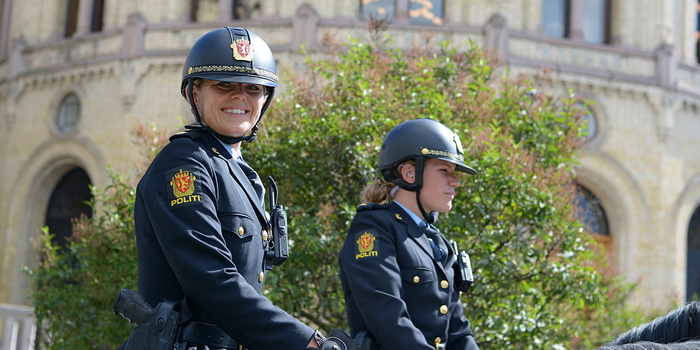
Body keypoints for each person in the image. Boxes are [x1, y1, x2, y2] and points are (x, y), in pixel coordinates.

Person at [131, 27, 344, 350]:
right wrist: (306, 343)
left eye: (253, 88)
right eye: (223, 85)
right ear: (195, 94)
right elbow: (212, 281)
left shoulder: (238, 172)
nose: (240, 98)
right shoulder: (184, 165)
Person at [338, 118, 480, 350]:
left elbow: (458, 331)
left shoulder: (436, 241)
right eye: (445, 170)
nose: (455, 182)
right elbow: (390, 321)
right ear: (409, 173)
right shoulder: (373, 228)